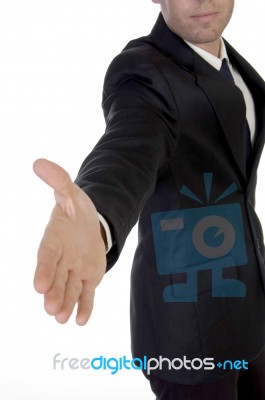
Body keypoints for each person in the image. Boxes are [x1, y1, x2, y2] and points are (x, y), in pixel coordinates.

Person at [33, 1, 265, 399]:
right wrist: (100, 215)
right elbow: (130, 144)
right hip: (189, 334)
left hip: (252, 311)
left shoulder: (237, 65)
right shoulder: (142, 72)